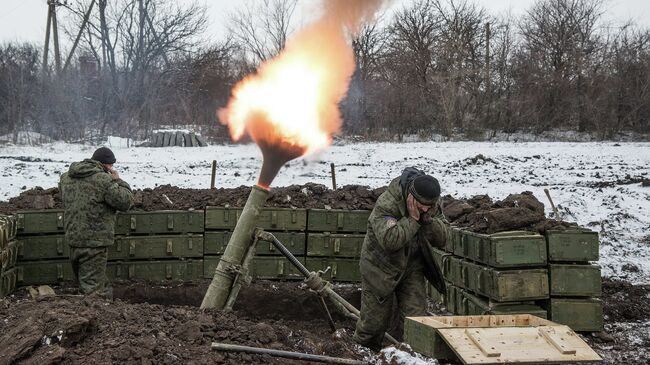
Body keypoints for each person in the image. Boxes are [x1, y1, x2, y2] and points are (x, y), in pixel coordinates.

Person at [353, 167, 449, 350]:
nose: (425, 209)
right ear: (410, 196)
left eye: (430, 206)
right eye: (422, 206)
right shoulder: (387, 203)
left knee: (416, 320)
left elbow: (443, 238)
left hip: (412, 266)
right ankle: (362, 353)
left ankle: (413, 356)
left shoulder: (430, 203)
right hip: (379, 267)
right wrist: (413, 220)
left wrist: (428, 220)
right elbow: (390, 241)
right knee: (373, 325)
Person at [59, 147, 133, 297]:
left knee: (86, 282)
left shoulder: (66, 178)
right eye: (111, 166)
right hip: (94, 243)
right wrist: (118, 180)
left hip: (74, 240)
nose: (112, 168)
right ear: (106, 165)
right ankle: (90, 316)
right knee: (93, 291)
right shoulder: (103, 180)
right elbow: (125, 202)